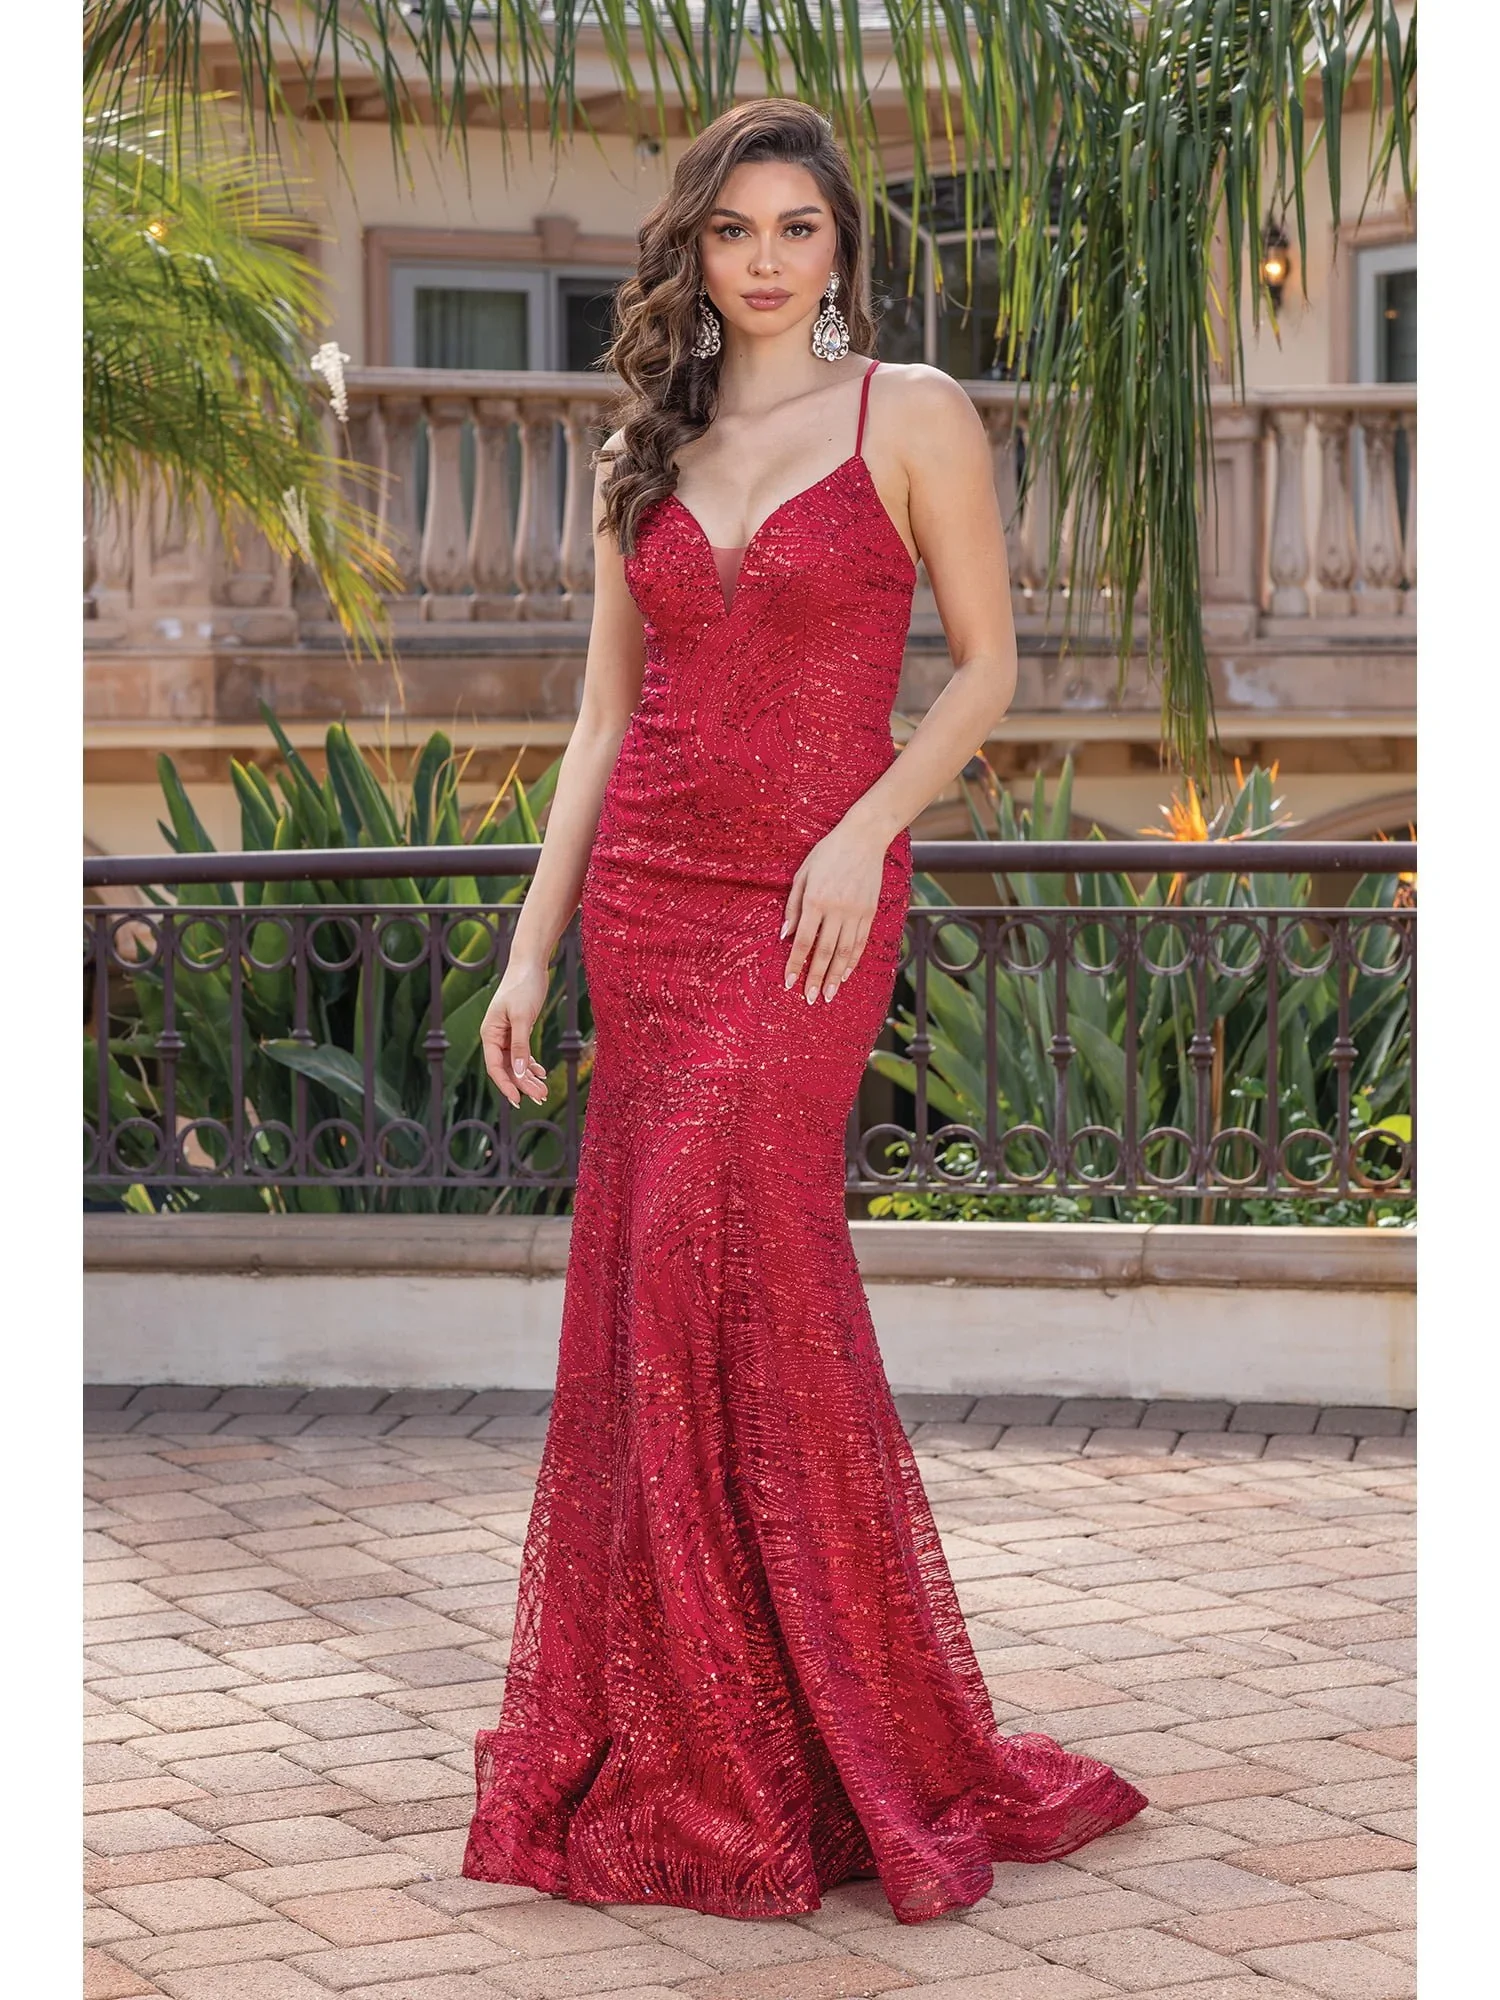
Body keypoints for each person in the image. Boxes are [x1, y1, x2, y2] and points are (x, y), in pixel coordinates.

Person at [462, 97, 1146, 1926]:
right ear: (694, 249)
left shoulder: (911, 414)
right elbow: (601, 724)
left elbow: (989, 667)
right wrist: (532, 952)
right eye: (736, 231)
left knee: (736, 1247)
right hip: (655, 900)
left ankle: (821, 1722)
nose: (767, 261)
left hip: (816, 907)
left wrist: (863, 832)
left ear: (845, 249)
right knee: (666, 1282)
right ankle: (699, 1723)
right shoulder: (646, 446)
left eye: (801, 231)